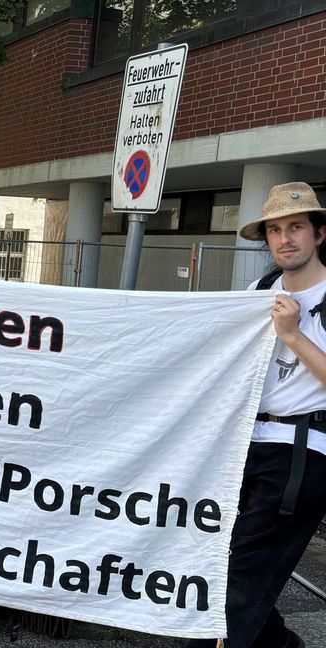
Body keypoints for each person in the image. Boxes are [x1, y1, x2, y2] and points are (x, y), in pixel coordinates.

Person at [188, 181, 326, 648]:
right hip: (244, 446)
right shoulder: (259, 289)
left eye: (297, 227)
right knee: (222, 566)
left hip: (302, 454)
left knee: (240, 578)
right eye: (275, 230)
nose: (285, 238)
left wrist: (292, 334)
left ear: (318, 235)